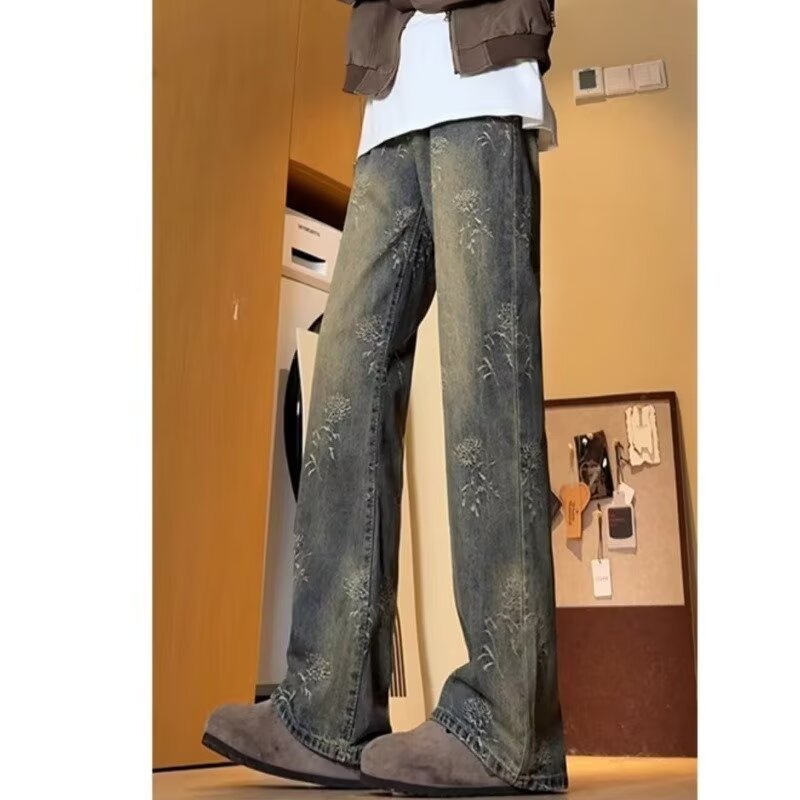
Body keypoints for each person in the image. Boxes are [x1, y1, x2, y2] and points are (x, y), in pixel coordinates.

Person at [203, 1, 567, 795]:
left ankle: (506, 728)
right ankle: (325, 710)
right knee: (343, 383)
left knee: (484, 393)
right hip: (393, 93)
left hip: (483, 80)